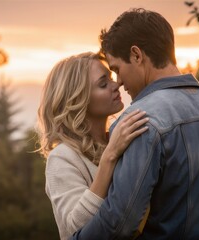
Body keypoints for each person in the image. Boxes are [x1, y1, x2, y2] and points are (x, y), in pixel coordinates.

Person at [72, 8, 199, 239]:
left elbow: (120, 224)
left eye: (117, 69)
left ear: (137, 55)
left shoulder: (138, 122)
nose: (119, 82)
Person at [37, 52, 149, 239]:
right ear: (78, 100)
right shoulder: (62, 158)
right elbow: (76, 228)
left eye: (111, 78)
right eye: (103, 84)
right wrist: (110, 156)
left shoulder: (121, 140)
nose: (116, 85)